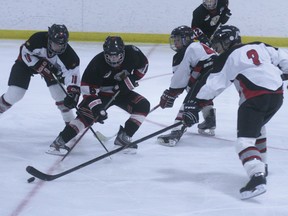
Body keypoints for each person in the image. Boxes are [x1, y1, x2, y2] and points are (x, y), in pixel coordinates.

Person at [182, 25, 288, 199]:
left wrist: (195, 104)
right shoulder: (260, 46)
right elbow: (285, 60)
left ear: (227, 41)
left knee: (243, 142)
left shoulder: (227, 57)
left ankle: (257, 177)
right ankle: (263, 165)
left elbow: (214, 84)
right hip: (277, 96)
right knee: (258, 127)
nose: (217, 49)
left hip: (254, 99)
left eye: (218, 44)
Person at [47, 36, 150, 155]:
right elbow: (87, 89)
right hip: (100, 93)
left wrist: (133, 78)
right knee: (86, 116)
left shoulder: (132, 53)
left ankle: (124, 137)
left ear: (123, 52)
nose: (113, 58)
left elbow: (144, 64)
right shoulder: (97, 63)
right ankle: (59, 143)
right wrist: (96, 108)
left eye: (116, 55)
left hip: (121, 92)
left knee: (143, 106)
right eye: (110, 55)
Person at [0, 24, 81, 124]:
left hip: (51, 70)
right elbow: (24, 52)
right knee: (15, 94)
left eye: (62, 45)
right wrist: (39, 65)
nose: (58, 48)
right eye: (56, 44)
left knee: (60, 95)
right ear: (49, 39)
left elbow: (73, 75)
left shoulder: (70, 56)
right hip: (25, 65)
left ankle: (71, 125)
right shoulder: (37, 39)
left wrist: (73, 92)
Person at [157, 25, 217, 147]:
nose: (175, 43)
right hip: (219, 75)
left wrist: (171, 94)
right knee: (197, 90)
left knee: (190, 100)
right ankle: (209, 120)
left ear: (187, 39)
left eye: (178, 40)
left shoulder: (184, 52)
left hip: (207, 74)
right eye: (174, 40)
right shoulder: (198, 45)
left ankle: (176, 131)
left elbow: (180, 78)